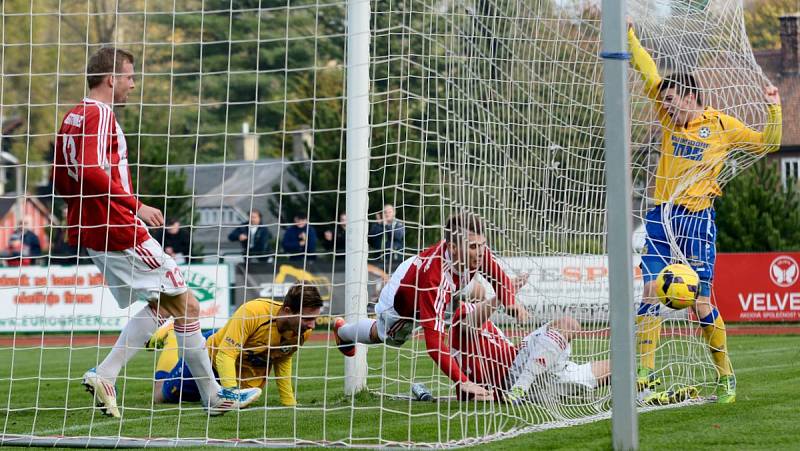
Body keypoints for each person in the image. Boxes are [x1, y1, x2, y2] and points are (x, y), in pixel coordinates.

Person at [53, 47, 260, 417]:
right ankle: (213, 398)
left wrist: (77, 218)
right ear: (112, 78)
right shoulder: (100, 114)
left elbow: (61, 176)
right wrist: (136, 205)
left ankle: (109, 374)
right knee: (185, 305)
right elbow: (88, 169)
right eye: (130, 77)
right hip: (118, 226)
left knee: (178, 305)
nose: (133, 84)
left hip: (96, 227)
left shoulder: (73, 115)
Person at [628, 23, 782, 404]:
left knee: (700, 303)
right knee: (649, 290)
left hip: (697, 220)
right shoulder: (667, 120)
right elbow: (648, 70)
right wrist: (630, 37)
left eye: (670, 99)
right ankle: (644, 376)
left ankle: (725, 376)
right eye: (661, 100)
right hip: (661, 217)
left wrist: (774, 106)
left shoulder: (721, 127)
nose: (663, 106)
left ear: (690, 96)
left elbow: (769, 144)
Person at [333, 212, 523, 401]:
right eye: (474, 247)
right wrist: (463, 381)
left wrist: (512, 305)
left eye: (483, 245)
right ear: (453, 247)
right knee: (386, 336)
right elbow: (434, 344)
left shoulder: (478, 253)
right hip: (402, 300)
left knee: (474, 290)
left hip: (419, 270)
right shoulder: (435, 279)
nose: (481, 251)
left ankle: (345, 332)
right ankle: (343, 333)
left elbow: (499, 279)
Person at [150, 284, 323, 407]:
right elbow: (225, 355)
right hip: (211, 359)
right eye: (307, 318)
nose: (312, 326)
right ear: (287, 311)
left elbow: (282, 359)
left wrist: (288, 402)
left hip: (239, 368)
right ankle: (172, 335)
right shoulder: (253, 312)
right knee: (160, 396)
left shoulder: (303, 331)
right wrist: (231, 397)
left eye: (315, 319)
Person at [450, 281, 610, 403]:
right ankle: (521, 387)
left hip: (538, 375)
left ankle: (523, 388)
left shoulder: (487, 327)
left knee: (617, 367)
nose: (485, 301)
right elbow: (469, 320)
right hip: (514, 375)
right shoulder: (462, 316)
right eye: (481, 299)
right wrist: (503, 294)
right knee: (569, 324)